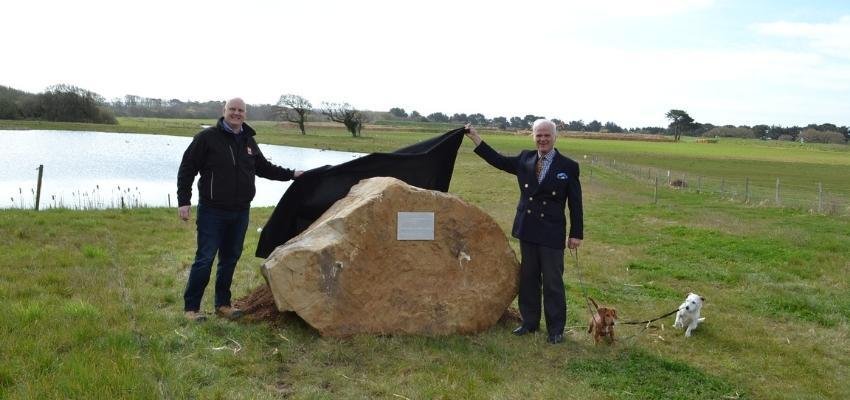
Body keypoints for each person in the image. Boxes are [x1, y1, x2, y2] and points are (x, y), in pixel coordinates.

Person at [177, 97, 303, 321]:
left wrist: (292, 175)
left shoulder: (247, 139)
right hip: (212, 210)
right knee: (205, 258)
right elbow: (187, 168)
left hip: (240, 211)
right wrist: (183, 201)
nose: (236, 113)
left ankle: (223, 305)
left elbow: (263, 168)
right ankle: (191, 309)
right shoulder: (206, 138)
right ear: (223, 111)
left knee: (230, 258)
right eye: (232, 109)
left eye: (240, 110)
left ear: (245, 114)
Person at [465, 119, 583, 344]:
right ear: (533, 137)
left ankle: (556, 329)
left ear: (555, 137)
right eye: (539, 135)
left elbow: (575, 203)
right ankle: (529, 323)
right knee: (528, 279)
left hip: (551, 232)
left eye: (547, 135)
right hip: (528, 229)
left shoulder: (568, 166)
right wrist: (475, 137)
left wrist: (576, 233)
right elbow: (498, 160)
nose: (543, 139)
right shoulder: (524, 159)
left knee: (552, 281)